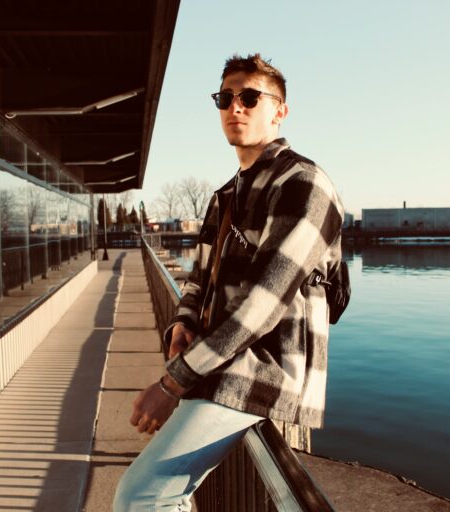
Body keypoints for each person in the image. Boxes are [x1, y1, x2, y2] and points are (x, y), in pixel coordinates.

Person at [113, 53, 344, 511]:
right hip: (225, 364)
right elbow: (199, 280)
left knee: (141, 496)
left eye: (250, 97)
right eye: (226, 98)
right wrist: (181, 323)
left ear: (279, 110)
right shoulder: (226, 196)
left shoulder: (303, 184)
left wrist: (170, 385)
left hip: (266, 371)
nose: (235, 107)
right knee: (152, 496)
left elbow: (263, 305)